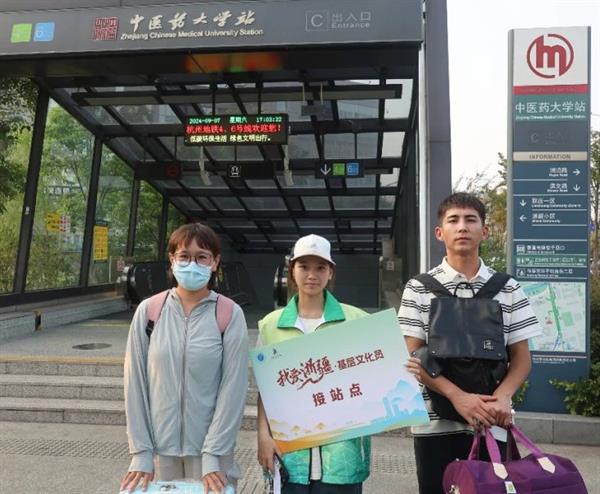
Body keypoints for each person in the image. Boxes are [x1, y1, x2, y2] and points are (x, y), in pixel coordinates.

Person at [399, 192, 542, 494]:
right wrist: (458, 397)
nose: (462, 227)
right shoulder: (419, 288)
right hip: (434, 425)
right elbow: (413, 356)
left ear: (484, 231)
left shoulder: (508, 288)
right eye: (453, 220)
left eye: (470, 220)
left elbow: (521, 358)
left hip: (492, 421)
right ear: (440, 232)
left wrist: (503, 397)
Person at [120, 223, 249, 493]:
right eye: (184, 256)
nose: (192, 264)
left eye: (202, 257)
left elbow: (234, 388)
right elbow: (135, 384)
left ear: (215, 262)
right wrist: (141, 452)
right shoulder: (149, 311)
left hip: (211, 457)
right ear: (172, 260)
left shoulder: (228, 313)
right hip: (159, 453)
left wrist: (213, 453)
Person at [256, 234, 371, 494]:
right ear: (292, 271)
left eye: (320, 267)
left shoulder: (357, 320)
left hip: (342, 455)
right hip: (289, 453)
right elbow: (266, 389)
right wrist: (263, 436)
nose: (312, 275)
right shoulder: (271, 325)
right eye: (304, 266)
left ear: (330, 272)